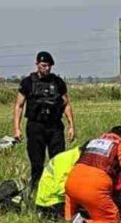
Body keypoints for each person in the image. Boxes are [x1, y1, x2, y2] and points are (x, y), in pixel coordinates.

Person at [12, 51, 76, 188]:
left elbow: (66, 104)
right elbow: (19, 105)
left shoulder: (58, 82)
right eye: (43, 65)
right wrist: (17, 128)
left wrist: (71, 126)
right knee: (37, 163)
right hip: (35, 126)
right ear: (37, 64)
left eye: (48, 66)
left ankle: (57, 189)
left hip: (54, 127)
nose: (46, 68)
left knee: (58, 161)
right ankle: (35, 189)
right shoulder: (27, 82)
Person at [66, 126, 121, 223]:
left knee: (69, 218)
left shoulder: (91, 142)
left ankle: (70, 221)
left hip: (70, 185)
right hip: (94, 188)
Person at [33, 146, 82, 219]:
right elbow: (59, 188)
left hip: (58, 198)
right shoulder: (66, 159)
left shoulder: (76, 158)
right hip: (50, 201)